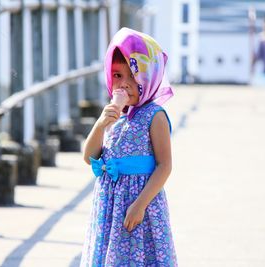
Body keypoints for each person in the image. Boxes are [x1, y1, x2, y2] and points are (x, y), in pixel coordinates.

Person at [80, 27, 178, 266]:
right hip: (109, 206)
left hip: (139, 205)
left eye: (133, 76)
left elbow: (164, 166)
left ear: (149, 75)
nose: (124, 84)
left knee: (139, 256)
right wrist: (101, 124)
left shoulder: (154, 116)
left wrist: (140, 205)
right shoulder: (115, 116)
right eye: (117, 76)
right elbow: (89, 157)